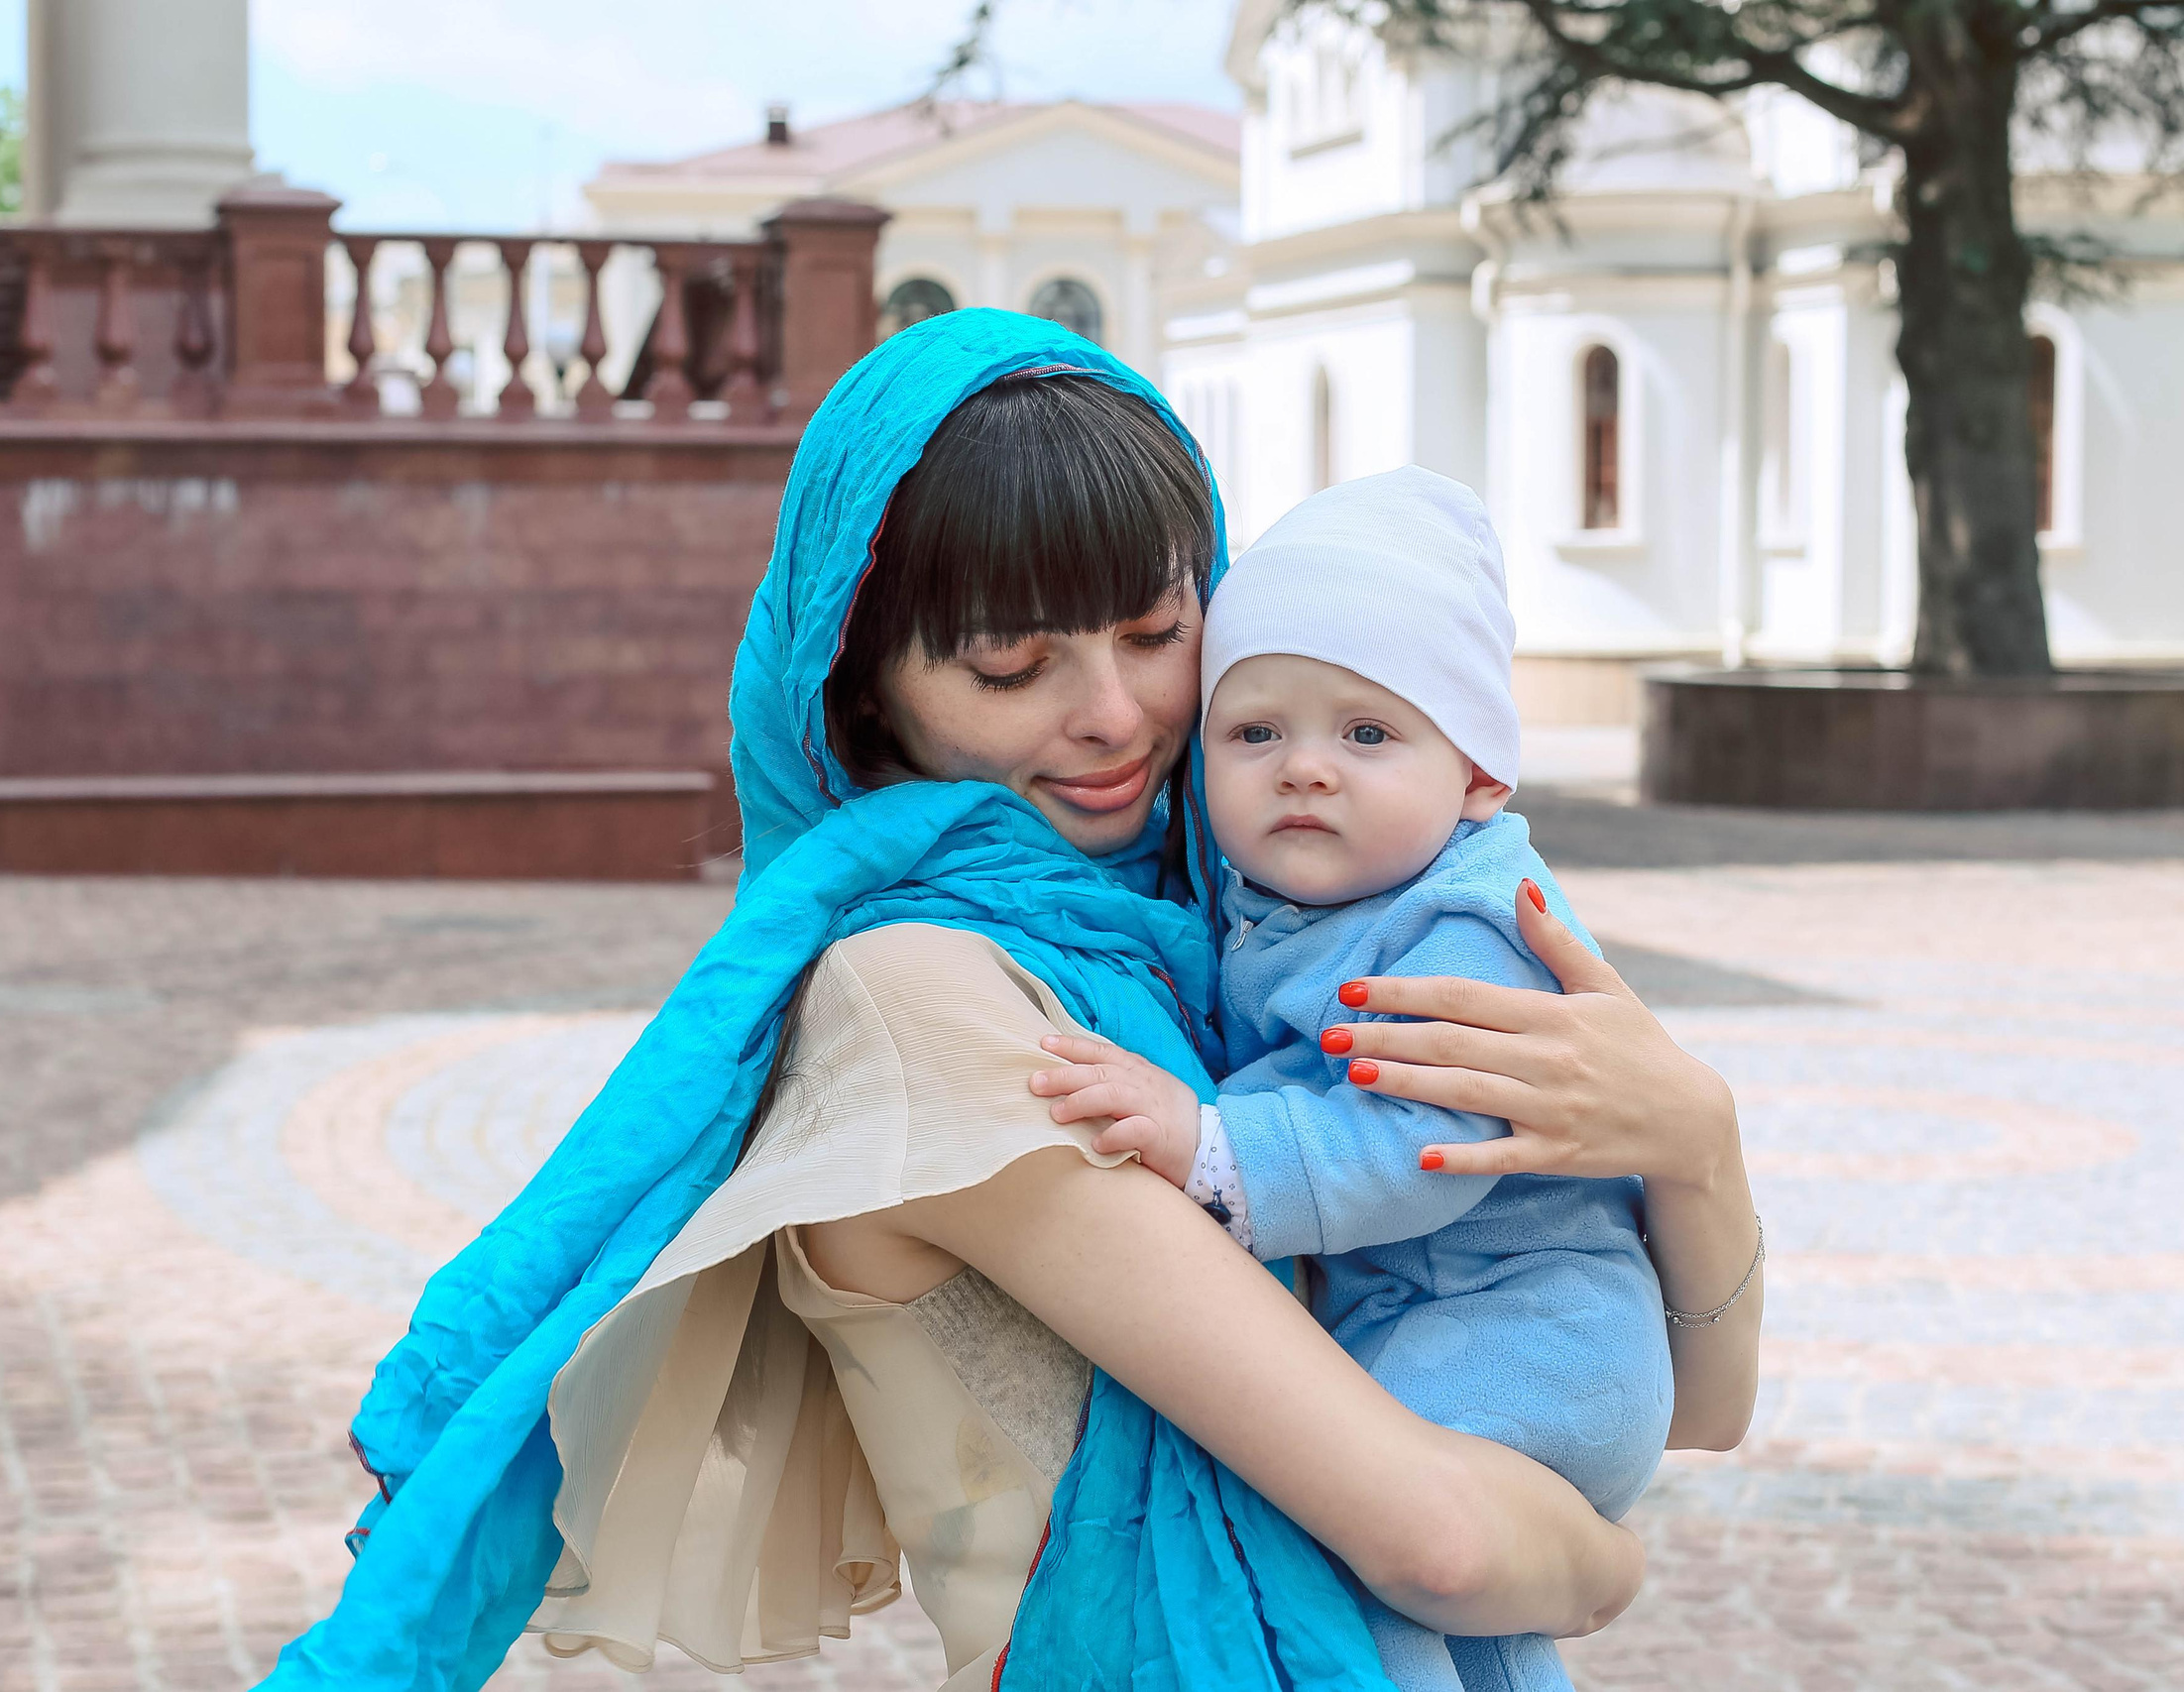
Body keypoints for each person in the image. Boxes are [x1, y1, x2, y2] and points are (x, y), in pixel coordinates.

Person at [257, 312, 1763, 1692]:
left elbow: (1684, 1397)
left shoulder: (1238, 945)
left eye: (1159, 634)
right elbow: (1438, 1539)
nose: (1111, 714)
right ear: (864, 690)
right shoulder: (926, 998)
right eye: (1011, 662)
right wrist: (1604, 1562)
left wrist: (1693, 1140)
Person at [1033, 466, 1710, 1692]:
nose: (1303, 768)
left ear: (1480, 780)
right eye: (1254, 732)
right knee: (1488, 1631)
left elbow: (1422, 1141)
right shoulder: (1290, 893)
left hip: (1530, 1330)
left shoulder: (1463, 928)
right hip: (1461, 1323)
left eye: (1366, 733)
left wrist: (1211, 1146)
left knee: (1360, 1529)